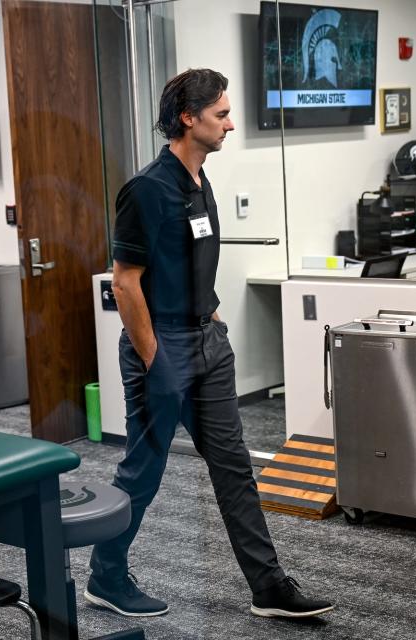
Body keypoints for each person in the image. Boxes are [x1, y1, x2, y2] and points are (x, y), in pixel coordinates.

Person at [86, 68, 334, 620]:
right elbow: (125, 282)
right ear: (188, 118)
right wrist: (157, 361)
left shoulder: (200, 181)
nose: (230, 123)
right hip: (162, 349)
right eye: (220, 114)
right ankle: (105, 576)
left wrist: (214, 320)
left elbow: (191, 261)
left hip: (206, 344)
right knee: (143, 472)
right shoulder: (146, 189)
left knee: (233, 467)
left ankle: (268, 586)